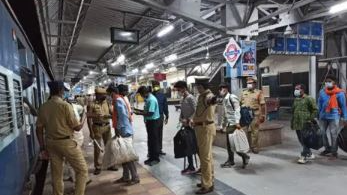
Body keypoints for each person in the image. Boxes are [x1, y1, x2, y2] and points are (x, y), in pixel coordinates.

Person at [36, 81, 88, 195]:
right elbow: (77, 127)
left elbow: (39, 130)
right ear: (60, 91)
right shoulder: (65, 106)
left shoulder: (43, 107)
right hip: (66, 143)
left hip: (51, 144)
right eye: (64, 90)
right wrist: (84, 116)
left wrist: (42, 148)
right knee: (82, 170)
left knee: (57, 174)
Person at [112, 84, 140, 185]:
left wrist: (118, 129)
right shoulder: (123, 99)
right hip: (126, 129)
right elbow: (128, 113)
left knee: (127, 155)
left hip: (124, 131)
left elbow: (123, 116)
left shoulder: (119, 100)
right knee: (123, 155)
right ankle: (126, 176)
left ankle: (135, 177)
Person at [193, 78, 216, 194]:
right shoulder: (201, 96)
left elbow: (212, 100)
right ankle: (208, 180)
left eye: (197, 86)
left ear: (202, 86)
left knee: (205, 158)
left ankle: (207, 185)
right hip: (201, 128)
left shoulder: (208, 96)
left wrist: (214, 99)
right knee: (207, 156)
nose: (196, 88)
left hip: (205, 128)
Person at [219, 83, 250, 169]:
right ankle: (231, 160)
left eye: (221, 89)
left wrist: (237, 122)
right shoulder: (224, 100)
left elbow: (237, 110)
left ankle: (245, 156)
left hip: (234, 124)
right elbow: (225, 114)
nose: (220, 92)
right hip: (229, 124)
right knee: (230, 145)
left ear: (225, 89)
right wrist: (222, 125)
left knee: (235, 144)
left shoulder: (232, 97)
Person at [87, 87, 117, 175]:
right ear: (97, 95)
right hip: (97, 128)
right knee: (97, 149)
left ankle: (110, 164)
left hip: (107, 127)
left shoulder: (107, 102)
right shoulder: (91, 104)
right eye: (102, 95)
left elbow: (112, 113)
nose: (105, 96)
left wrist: (112, 115)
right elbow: (88, 118)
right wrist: (91, 132)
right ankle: (98, 166)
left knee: (109, 146)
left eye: (105, 94)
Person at [318, 75, 347, 159]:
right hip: (323, 116)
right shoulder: (322, 92)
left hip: (334, 117)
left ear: (334, 82)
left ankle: (334, 152)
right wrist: (318, 113)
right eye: (326, 81)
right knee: (322, 133)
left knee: (333, 135)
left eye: (329, 81)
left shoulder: (340, 93)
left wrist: (345, 118)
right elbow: (319, 103)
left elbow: (343, 106)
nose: (327, 83)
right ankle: (327, 149)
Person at [174, 81, 197, 175]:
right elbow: (182, 111)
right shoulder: (183, 98)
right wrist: (181, 119)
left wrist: (189, 119)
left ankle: (195, 167)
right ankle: (190, 166)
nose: (178, 91)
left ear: (184, 88)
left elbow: (196, 111)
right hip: (185, 126)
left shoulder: (191, 98)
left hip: (192, 126)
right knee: (187, 146)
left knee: (192, 146)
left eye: (179, 89)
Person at [291, 84, 318, 164]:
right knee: (301, 140)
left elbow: (315, 110)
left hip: (305, 123)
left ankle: (304, 156)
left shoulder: (309, 99)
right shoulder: (296, 99)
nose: (296, 90)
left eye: (297, 89)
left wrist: (310, 119)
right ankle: (309, 153)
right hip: (297, 123)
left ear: (302, 90)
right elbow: (293, 110)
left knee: (305, 140)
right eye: (295, 89)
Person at [134, 86, 161, 166]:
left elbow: (150, 113)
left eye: (141, 94)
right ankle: (151, 157)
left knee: (154, 141)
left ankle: (156, 158)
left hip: (153, 122)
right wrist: (137, 110)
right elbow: (147, 111)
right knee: (150, 141)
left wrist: (139, 113)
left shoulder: (151, 100)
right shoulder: (148, 98)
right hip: (150, 122)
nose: (141, 96)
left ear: (144, 93)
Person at [240, 77, 266, 154]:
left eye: (251, 83)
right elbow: (239, 103)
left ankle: (254, 146)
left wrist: (263, 115)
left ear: (255, 84)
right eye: (248, 83)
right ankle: (245, 147)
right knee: (243, 131)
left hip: (255, 114)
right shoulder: (243, 92)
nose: (249, 84)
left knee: (255, 131)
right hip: (245, 114)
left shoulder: (259, 93)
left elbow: (263, 105)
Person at [151, 80, 169, 155]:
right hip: (152, 117)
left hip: (159, 117)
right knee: (153, 134)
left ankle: (159, 149)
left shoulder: (162, 95)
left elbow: (165, 106)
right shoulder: (150, 96)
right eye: (154, 85)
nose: (155, 87)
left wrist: (167, 116)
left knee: (159, 133)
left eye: (156, 85)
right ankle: (153, 150)